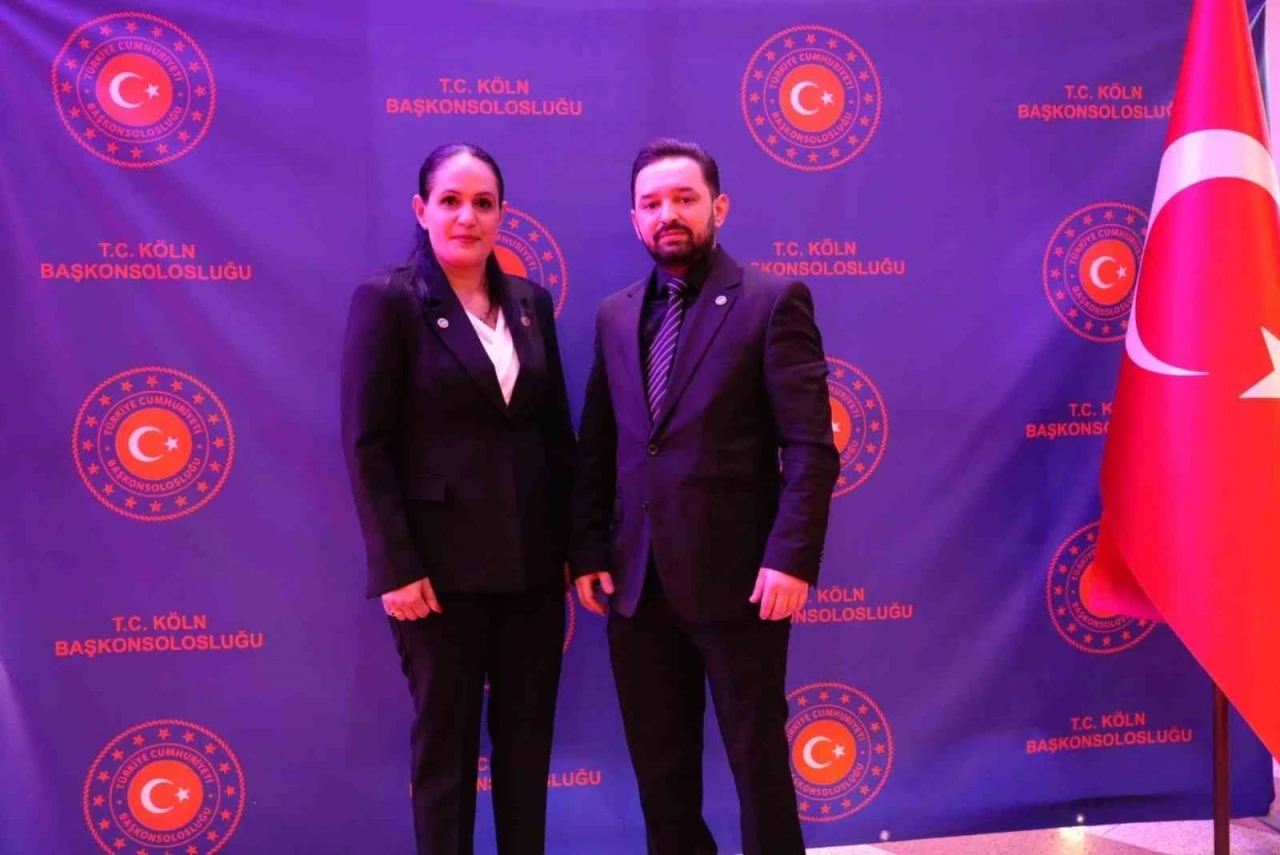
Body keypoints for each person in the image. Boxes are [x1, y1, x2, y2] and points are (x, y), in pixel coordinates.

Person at [571, 138, 839, 855]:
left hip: (742, 583)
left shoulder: (772, 301)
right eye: (652, 203)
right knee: (661, 772)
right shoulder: (616, 315)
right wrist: (589, 548)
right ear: (634, 219)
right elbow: (600, 444)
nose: (669, 214)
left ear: (718, 206)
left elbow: (810, 447)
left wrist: (790, 558)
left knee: (757, 765)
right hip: (636, 584)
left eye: (684, 199)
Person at [340, 142, 575, 855]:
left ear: (502, 214)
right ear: (422, 209)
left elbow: (555, 436)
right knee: (445, 755)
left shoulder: (530, 303)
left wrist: (578, 547)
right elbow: (367, 444)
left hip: (534, 572)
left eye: (482, 203)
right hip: (435, 579)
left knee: (528, 748)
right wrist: (396, 566)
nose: (467, 216)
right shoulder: (387, 301)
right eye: (450, 201)